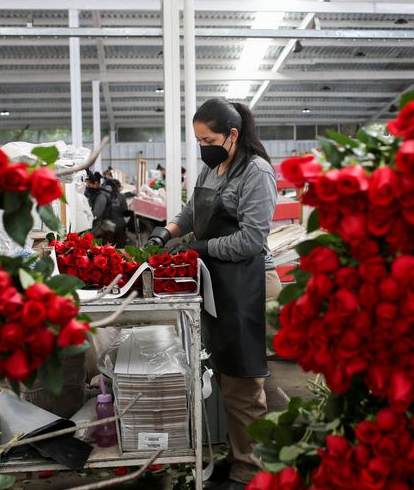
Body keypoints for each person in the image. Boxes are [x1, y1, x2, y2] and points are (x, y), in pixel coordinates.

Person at [145, 98, 277, 489]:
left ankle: (252, 470)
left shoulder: (256, 173)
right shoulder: (212, 169)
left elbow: (252, 240)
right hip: (217, 283)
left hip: (248, 286)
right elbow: (191, 212)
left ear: (233, 135)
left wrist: (199, 248)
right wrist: (165, 232)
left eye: (210, 138)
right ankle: (238, 456)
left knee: (244, 380)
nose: (204, 146)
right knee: (223, 375)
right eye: (198, 140)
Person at [84, 172, 128, 247]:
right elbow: (125, 212)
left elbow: (96, 213)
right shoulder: (121, 196)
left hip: (108, 227)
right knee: (120, 248)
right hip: (121, 226)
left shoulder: (103, 195)